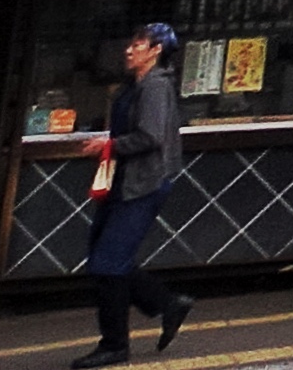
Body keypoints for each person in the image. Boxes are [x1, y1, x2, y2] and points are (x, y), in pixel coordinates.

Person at [75, 23, 190, 365]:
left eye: (138, 44)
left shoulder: (155, 86)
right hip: (123, 181)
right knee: (103, 258)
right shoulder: (135, 85)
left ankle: (115, 345)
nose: (129, 49)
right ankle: (167, 304)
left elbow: (151, 136)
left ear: (156, 50)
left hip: (144, 183)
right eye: (131, 43)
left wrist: (109, 145)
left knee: (108, 262)